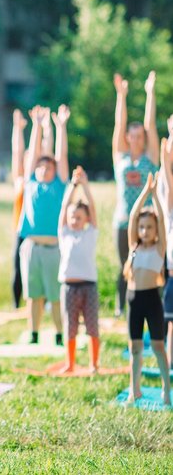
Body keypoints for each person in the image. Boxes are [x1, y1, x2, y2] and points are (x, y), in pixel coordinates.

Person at [19, 105, 70, 345]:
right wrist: (37, 126)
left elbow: (62, 156)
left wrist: (60, 127)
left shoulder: (60, 184)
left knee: (55, 295)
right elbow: (32, 156)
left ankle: (60, 333)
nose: (43, 169)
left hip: (53, 249)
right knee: (33, 295)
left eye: (48, 167)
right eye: (40, 166)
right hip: (31, 248)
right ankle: (34, 333)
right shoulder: (30, 183)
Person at [112, 71, 159, 317]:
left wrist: (150, 92)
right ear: (128, 138)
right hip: (123, 221)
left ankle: (154, 303)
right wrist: (122, 95)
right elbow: (119, 125)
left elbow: (150, 124)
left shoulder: (149, 159)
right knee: (125, 264)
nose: (137, 138)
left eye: (141, 135)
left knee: (152, 264)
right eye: (133, 135)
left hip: (148, 220)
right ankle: (122, 307)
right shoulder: (120, 157)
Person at [124, 172, 171, 404]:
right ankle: (135, 389)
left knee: (158, 346)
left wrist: (156, 197)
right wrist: (145, 192)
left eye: (148, 228)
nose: (144, 231)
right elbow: (133, 216)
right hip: (133, 299)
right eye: (142, 228)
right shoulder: (134, 246)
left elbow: (162, 221)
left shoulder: (159, 249)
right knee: (134, 348)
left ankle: (166, 389)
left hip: (152, 299)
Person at [57, 166, 100, 373]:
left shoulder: (90, 233)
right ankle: (70, 363)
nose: (74, 220)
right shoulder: (64, 233)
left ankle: (93, 364)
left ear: (86, 220)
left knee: (92, 326)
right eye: (72, 217)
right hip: (68, 287)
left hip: (88, 286)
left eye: (79, 218)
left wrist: (85, 186)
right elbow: (65, 205)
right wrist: (73, 186)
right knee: (70, 327)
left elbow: (91, 207)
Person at [158, 127, 173, 368]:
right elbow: (168, 182)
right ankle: (170, 363)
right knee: (171, 322)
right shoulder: (170, 215)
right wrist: (165, 155)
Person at [11, 109, 28, 309]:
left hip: (39, 231)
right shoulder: (21, 181)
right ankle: (16, 304)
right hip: (20, 229)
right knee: (17, 268)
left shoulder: (40, 182)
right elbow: (17, 153)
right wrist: (18, 129)